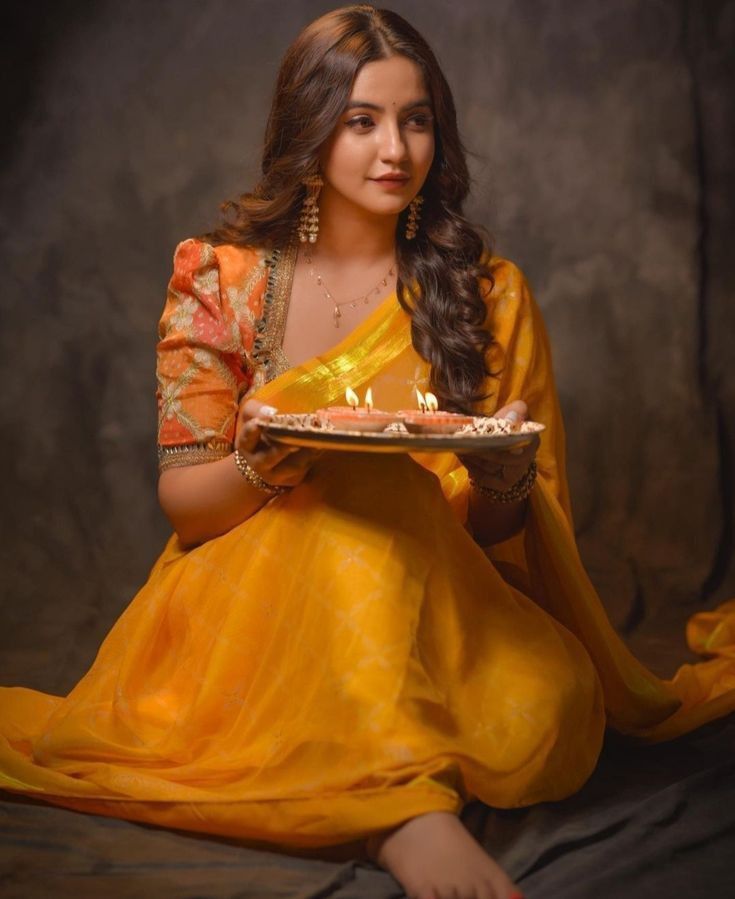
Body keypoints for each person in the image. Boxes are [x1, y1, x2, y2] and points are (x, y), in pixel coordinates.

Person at [1, 6, 734, 899]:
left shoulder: (487, 294)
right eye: (362, 121)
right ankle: (401, 812)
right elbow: (187, 506)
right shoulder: (222, 279)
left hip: (442, 613)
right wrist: (270, 463)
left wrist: (506, 485)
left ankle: (371, 771)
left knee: (549, 708)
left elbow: (499, 539)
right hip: (252, 610)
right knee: (353, 492)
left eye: (416, 118)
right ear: (309, 131)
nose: (395, 148)